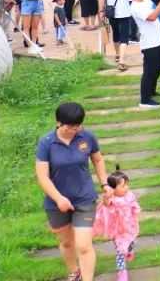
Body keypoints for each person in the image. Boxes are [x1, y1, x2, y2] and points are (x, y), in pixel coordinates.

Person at [35, 101, 109, 281]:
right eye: (70, 127)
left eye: (77, 126)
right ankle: (74, 272)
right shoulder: (46, 143)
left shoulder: (87, 137)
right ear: (58, 122)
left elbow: (98, 160)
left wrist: (105, 184)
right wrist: (59, 198)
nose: (74, 130)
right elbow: (43, 177)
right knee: (67, 243)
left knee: (84, 246)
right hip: (56, 203)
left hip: (84, 198)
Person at [92, 170, 140, 281]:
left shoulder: (129, 195)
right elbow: (106, 204)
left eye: (127, 184)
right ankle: (122, 272)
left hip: (130, 227)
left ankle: (129, 250)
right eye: (123, 186)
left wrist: (135, 213)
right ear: (113, 188)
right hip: (117, 230)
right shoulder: (112, 199)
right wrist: (106, 197)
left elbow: (134, 206)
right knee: (119, 251)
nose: (127, 188)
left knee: (131, 242)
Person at [129, 0, 160, 108]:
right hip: (149, 43)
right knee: (149, 71)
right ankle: (145, 100)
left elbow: (158, 13)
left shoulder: (147, 1)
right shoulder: (135, 7)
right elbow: (151, 17)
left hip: (158, 40)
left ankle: (151, 91)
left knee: (159, 67)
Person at [97, 0, 133, 71]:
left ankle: (117, 54)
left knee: (116, 34)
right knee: (124, 37)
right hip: (124, 11)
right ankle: (121, 61)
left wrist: (101, 11)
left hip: (111, 11)